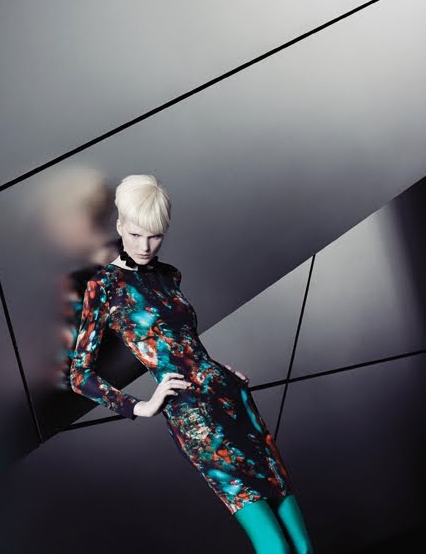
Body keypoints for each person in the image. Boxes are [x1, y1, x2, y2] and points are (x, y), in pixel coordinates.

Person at [70, 173, 314, 554]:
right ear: (119, 227)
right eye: (135, 234)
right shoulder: (104, 288)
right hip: (194, 416)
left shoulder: (169, 275)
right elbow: (79, 374)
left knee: (301, 544)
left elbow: (185, 343)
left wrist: (220, 370)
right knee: (275, 547)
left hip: (233, 400)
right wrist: (139, 406)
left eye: (155, 236)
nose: (145, 246)